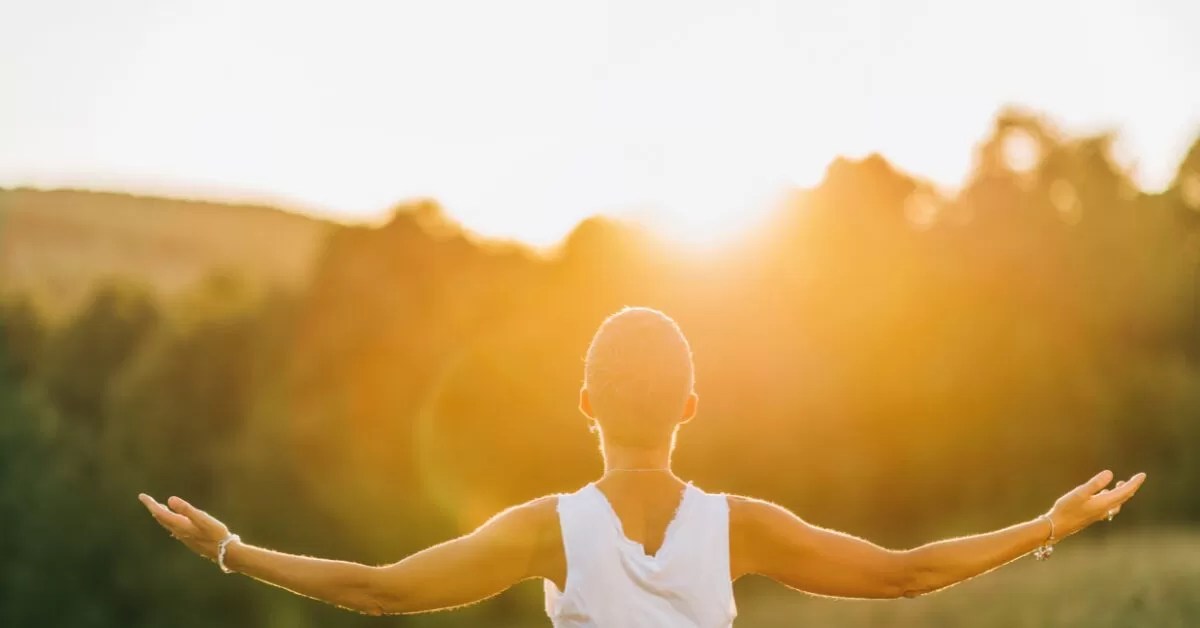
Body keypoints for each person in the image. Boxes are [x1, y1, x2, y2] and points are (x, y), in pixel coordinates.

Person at [139, 306, 1146, 627]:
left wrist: (230, 549)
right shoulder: (738, 525)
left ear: (586, 405)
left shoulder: (548, 530)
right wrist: (1047, 527)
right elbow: (905, 569)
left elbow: (381, 586)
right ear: (691, 408)